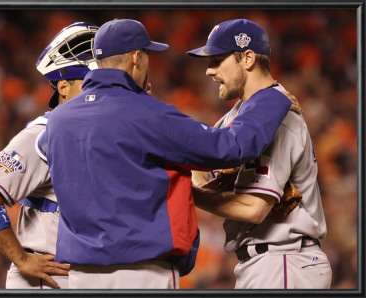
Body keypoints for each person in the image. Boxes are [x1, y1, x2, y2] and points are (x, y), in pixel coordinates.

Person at [44, 18, 295, 289]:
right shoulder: (147, 113)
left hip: (80, 276)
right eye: (149, 55)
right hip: (141, 273)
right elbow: (233, 147)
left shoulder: (58, 120)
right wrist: (271, 98)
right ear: (136, 58)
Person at [188, 19, 332, 289]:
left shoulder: (278, 116)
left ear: (248, 58)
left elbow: (254, 208)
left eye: (217, 60)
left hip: (285, 260)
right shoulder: (238, 116)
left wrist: (188, 192)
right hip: (264, 262)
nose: (209, 71)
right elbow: (199, 169)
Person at [0, 22, 99, 289]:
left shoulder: (96, 134)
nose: (99, 91)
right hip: (44, 280)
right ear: (63, 87)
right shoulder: (44, 134)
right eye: (90, 82)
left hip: (82, 277)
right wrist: (21, 259)